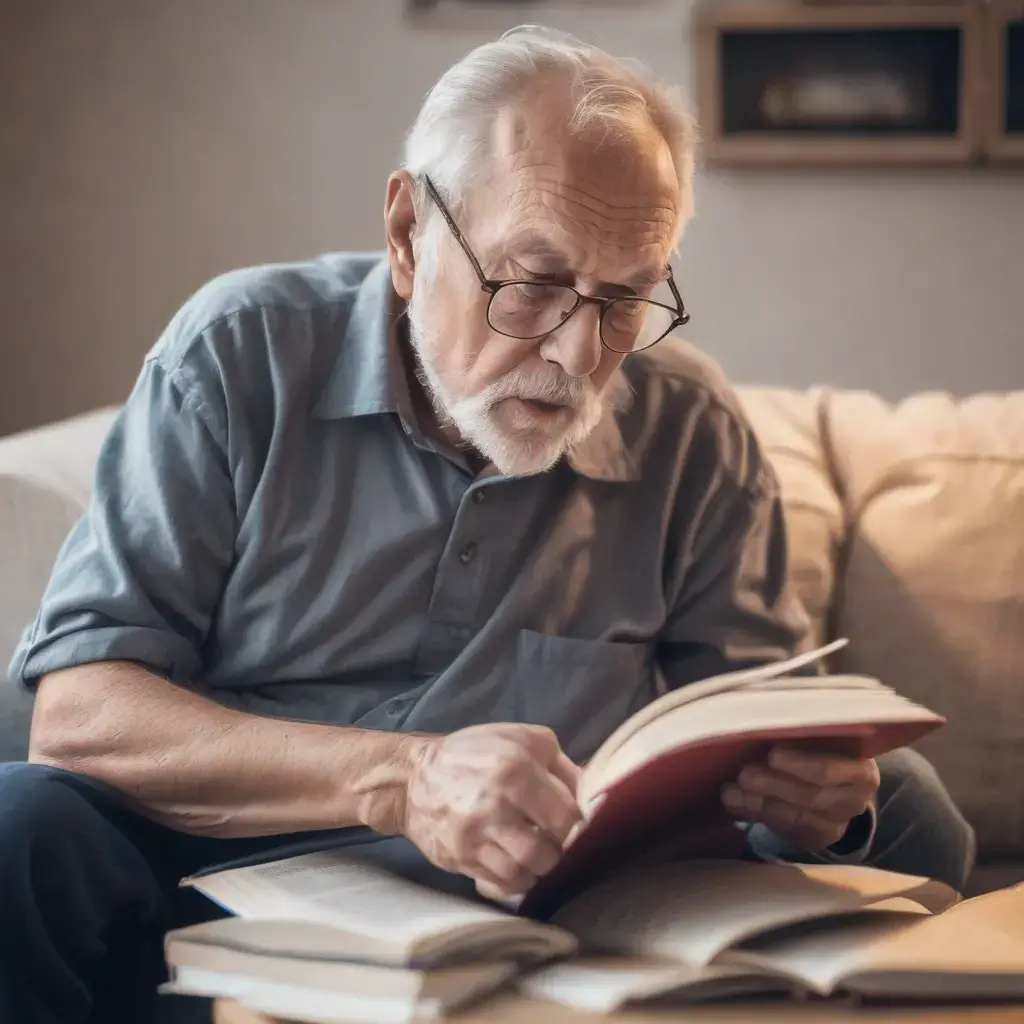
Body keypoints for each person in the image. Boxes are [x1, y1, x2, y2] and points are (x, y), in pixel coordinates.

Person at [2, 26, 973, 1024]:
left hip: (534, 919)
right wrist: (399, 778)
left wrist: (809, 800)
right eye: (533, 279)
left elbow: (758, 738)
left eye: (625, 295)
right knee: (15, 827)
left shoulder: (691, 434)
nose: (574, 350)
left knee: (901, 808)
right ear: (407, 234)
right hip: (218, 889)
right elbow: (77, 720)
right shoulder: (238, 355)